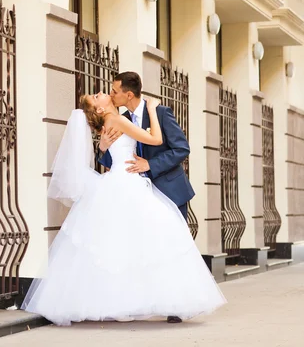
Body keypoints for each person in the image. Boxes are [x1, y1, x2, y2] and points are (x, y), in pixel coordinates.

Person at [20, 92, 226, 326]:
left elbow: (116, 150)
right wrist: (151, 109)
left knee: (118, 244)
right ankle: (138, 300)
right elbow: (156, 140)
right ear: (99, 110)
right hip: (126, 181)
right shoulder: (117, 120)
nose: (102, 93)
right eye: (96, 97)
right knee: (142, 240)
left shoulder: (111, 122)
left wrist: (105, 146)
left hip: (120, 179)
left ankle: (119, 302)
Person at [99, 71, 194, 222]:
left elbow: (182, 149)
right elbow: (114, 161)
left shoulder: (160, 113)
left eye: (115, 91)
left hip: (170, 191)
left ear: (129, 95)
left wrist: (149, 164)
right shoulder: (121, 120)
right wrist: (103, 147)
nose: (111, 95)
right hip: (140, 196)